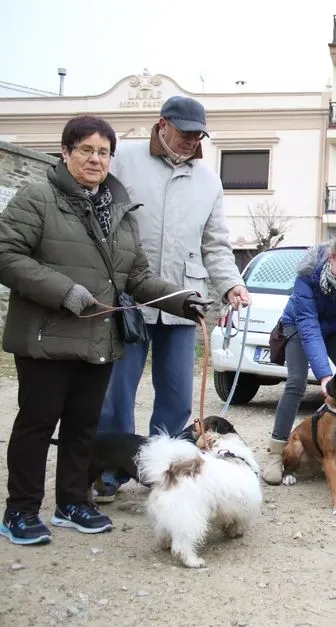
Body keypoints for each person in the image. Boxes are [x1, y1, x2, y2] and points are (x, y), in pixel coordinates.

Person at [0, 115, 212, 545]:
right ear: (65, 152)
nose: (95, 159)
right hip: (47, 338)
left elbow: (136, 277)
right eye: (86, 150)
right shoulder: (36, 199)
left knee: (83, 428)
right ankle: (20, 510)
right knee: (37, 425)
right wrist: (63, 291)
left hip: (99, 339)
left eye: (103, 152)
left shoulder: (120, 213)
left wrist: (181, 300)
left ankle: (72, 502)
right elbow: (6, 255)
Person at [94, 96, 249, 502]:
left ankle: (164, 474)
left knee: (177, 397)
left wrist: (231, 283)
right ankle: (110, 472)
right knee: (116, 392)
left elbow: (215, 244)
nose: (191, 141)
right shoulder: (122, 160)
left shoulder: (209, 180)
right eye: (184, 133)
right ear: (162, 125)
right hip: (128, 298)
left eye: (198, 135)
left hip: (183, 302)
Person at [261, 232, 336, 485]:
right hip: (298, 324)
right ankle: (277, 453)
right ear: (330, 257)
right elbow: (308, 324)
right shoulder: (308, 273)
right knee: (296, 383)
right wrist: (325, 375)